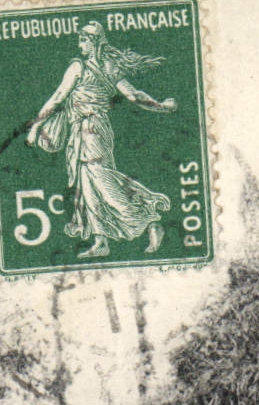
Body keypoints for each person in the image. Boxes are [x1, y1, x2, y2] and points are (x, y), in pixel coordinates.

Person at [28, 22, 175, 259]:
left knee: (102, 181)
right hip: (89, 131)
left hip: (91, 131)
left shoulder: (80, 67)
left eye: (83, 40)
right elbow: (134, 96)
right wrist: (162, 107)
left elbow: (57, 98)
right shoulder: (108, 67)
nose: (79, 44)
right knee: (88, 185)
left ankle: (150, 221)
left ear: (94, 41)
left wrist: (35, 127)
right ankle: (101, 240)